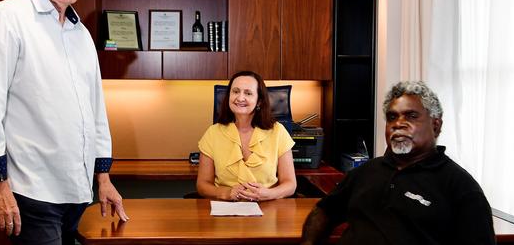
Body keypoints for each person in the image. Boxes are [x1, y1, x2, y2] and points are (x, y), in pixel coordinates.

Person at [0, 0, 128, 244]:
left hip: (76, 191)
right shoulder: (8, 17)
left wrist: (103, 178)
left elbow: (95, 112)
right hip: (31, 190)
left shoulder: (80, 34)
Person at [301, 81, 496, 245]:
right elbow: (324, 211)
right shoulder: (366, 172)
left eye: (411, 116)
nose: (398, 123)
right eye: (392, 117)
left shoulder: (460, 187)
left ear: (436, 126)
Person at [196, 70, 297, 201]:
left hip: (267, 208)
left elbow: (290, 184)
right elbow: (202, 185)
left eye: (248, 93)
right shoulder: (213, 133)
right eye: (235, 91)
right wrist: (227, 193)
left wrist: (268, 194)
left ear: (259, 101)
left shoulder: (278, 131)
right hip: (225, 210)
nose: (240, 98)